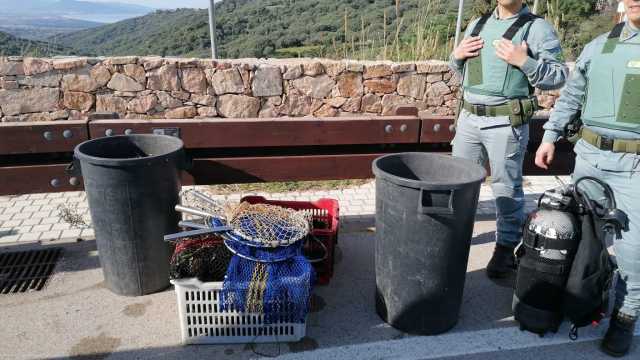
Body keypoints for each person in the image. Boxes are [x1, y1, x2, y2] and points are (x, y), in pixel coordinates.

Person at [535, 0, 640, 356]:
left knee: (633, 249)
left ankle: (626, 315)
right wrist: (550, 136)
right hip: (590, 158)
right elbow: (572, 96)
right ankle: (583, 298)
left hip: (635, 165)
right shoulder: (601, 45)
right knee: (583, 240)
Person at [449, 0, 568, 279]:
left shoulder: (537, 28)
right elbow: (462, 74)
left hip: (505, 122)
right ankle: (452, 243)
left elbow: (560, 75)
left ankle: (504, 251)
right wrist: (456, 57)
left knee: (505, 189)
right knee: (456, 187)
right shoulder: (477, 24)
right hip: (468, 118)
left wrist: (524, 62)